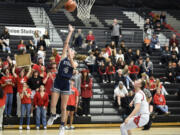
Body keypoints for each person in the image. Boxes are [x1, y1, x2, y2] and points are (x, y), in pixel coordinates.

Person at [47, 25, 77, 135]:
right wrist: (70, 32)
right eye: (71, 51)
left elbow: (73, 66)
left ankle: (62, 126)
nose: (71, 52)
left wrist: (70, 54)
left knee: (63, 107)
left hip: (66, 84)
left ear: (74, 54)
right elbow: (66, 44)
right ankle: (53, 115)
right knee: (53, 105)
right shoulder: (63, 57)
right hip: (58, 81)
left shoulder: (75, 62)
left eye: (72, 52)